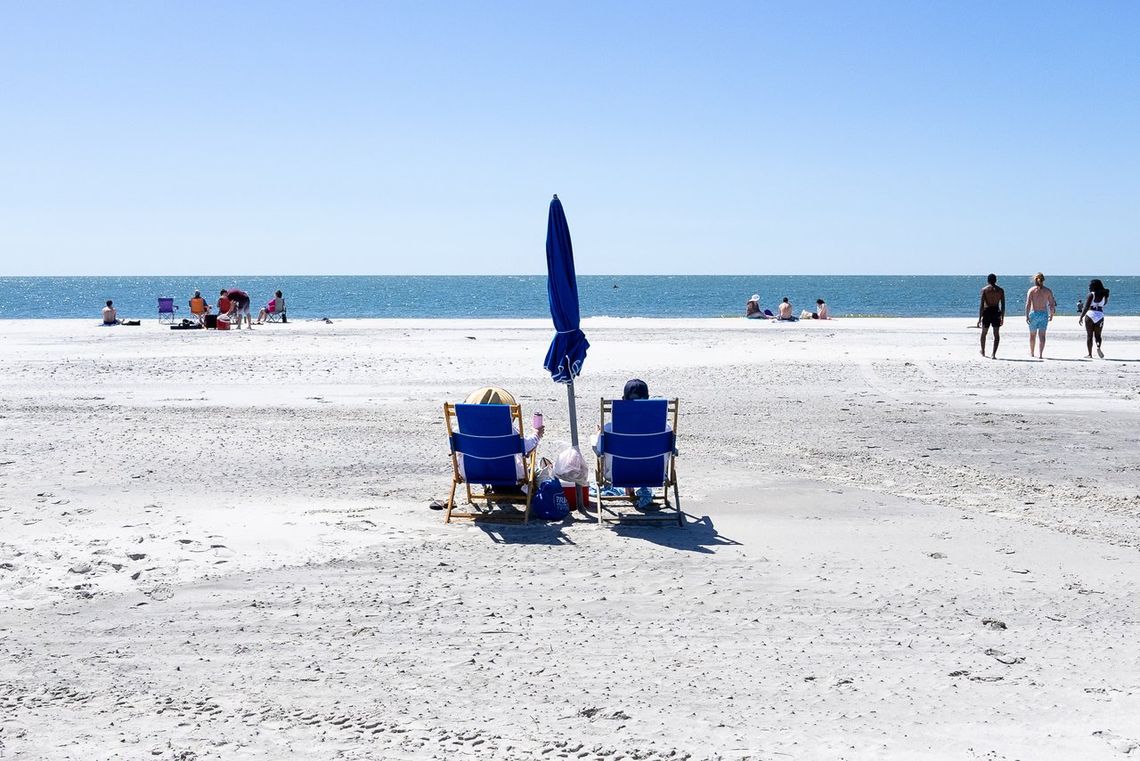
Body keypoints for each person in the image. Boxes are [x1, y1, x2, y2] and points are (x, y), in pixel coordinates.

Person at [592, 378, 671, 508]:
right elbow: (673, 448)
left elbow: (599, 449)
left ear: (623, 400)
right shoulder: (664, 428)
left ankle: (628, 485)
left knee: (620, 451)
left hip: (618, 474)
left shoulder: (610, 429)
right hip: (654, 473)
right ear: (648, 399)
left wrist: (598, 434)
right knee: (641, 450)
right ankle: (638, 487)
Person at [456, 386, 543, 482]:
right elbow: (526, 447)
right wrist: (537, 434)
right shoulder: (507, 429)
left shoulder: (462, 429)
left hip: (470, 472)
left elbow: (452, 445)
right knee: (529, 449)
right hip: (509, 473)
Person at [1024, 273, 1056, 359]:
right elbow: (1051, 304)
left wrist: (1026, 316)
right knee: (1042, 335)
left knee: (1032, 335)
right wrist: (1051, 314)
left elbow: (1028, 304)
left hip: (1033, 313)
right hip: (1043, 314)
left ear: (1035, 280)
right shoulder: (1048, 291)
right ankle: (1041, 354)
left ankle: (1032, 353)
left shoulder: (1031, 290)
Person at [1078, 278, 1110, 359]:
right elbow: (1104, 304)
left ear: (1094, 286)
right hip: (1100, 315)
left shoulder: (1091, 294)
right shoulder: (1104, 295)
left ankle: (1090, 354)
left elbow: (1086, 307)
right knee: (1098, 335)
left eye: (1090, 286)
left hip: (1090, 315)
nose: (1088, 287)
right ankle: (1098, 347)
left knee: (1089, 336)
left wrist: (1081, 316)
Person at [976, 274, 1005, 358]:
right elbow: (1003, 305)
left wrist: (979, 318)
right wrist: (1002, 317)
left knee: (984, 333)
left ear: (988, 280)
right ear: (996, 280)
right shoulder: (1000, 290)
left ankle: (983, 351)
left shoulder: (984, 290)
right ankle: (993, 354)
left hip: (987, 311)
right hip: (996, 311)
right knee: (996, 334)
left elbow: (981, 305)